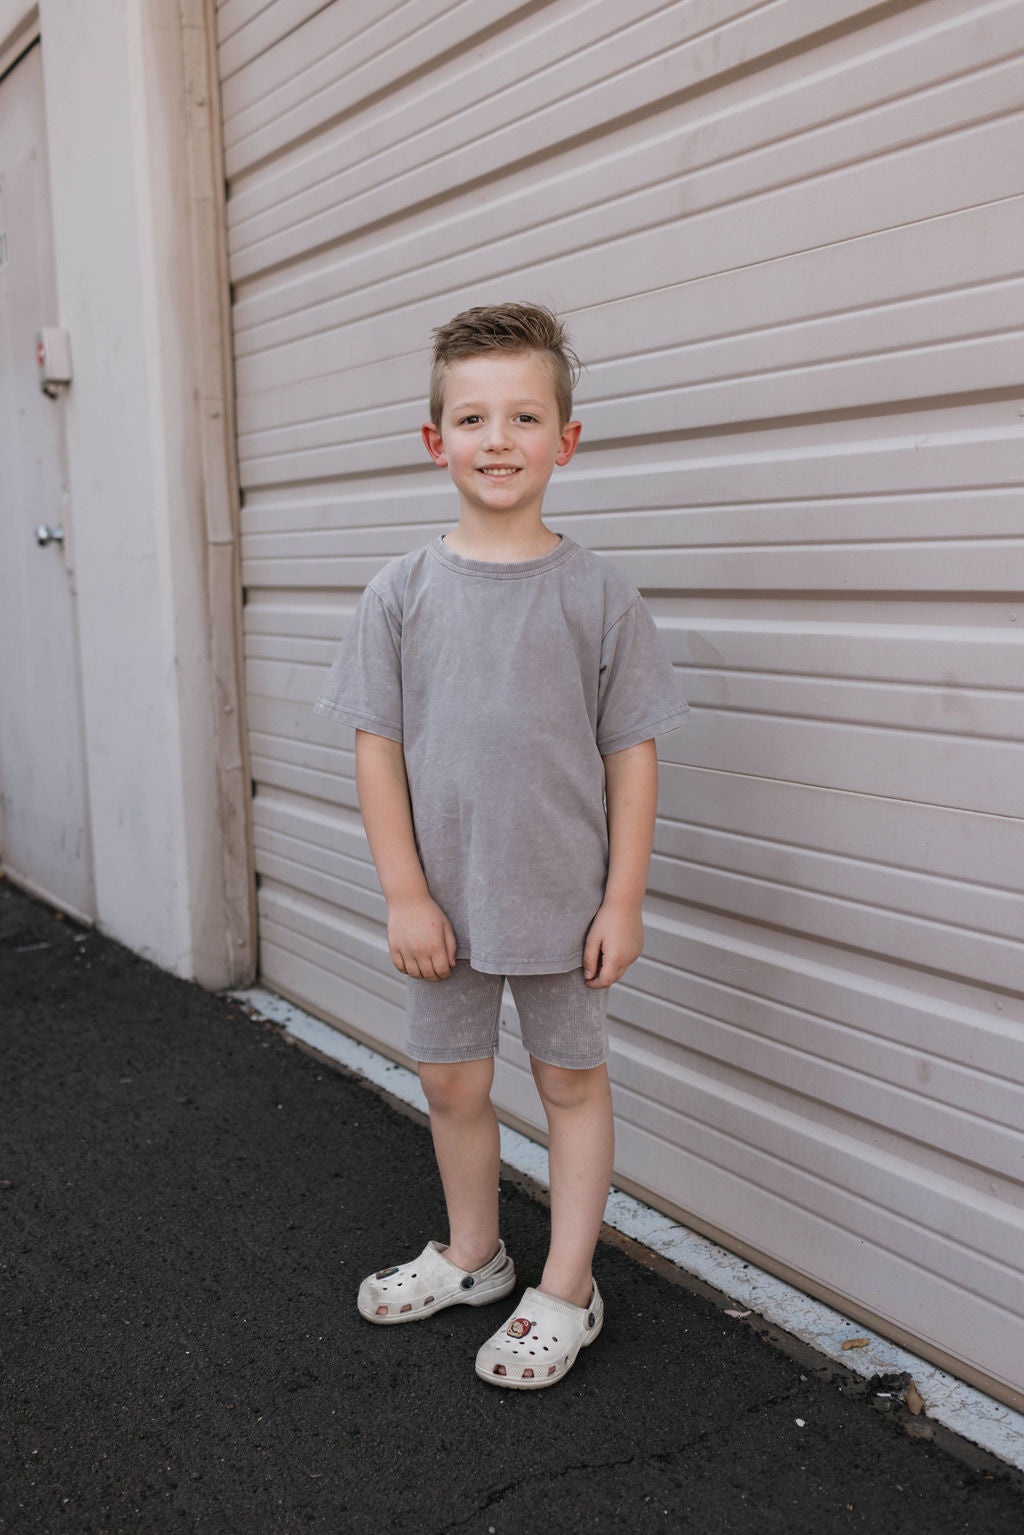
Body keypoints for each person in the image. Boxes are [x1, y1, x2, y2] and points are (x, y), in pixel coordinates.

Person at [314, 302, 687, 1388]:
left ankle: (567, 1284)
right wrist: (402, 893)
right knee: (450, 1081)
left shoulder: (599, 596)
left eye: (525, 415)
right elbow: (376, 749)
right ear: (436, 441)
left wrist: (622, 900)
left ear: (564, 439)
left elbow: (632, 758)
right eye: (472, 417)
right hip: (445, 905)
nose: (498, 438)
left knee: (570, 1083)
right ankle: (474, 1253)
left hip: (565, 906)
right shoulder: (401, 594)